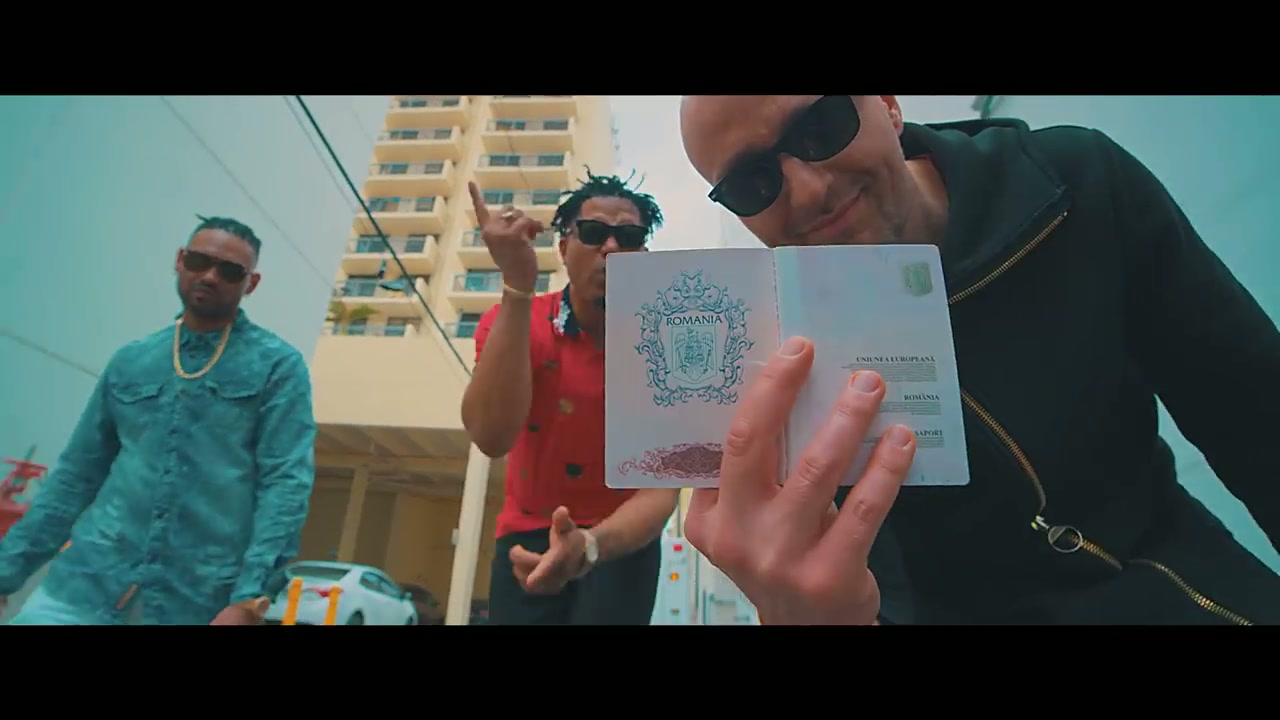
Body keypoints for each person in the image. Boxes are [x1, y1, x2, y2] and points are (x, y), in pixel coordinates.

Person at [676, 94, 1280, 625]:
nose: (810, 190)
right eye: (753, 184)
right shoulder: (766, 363)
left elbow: (1254, 411)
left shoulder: (1073, 182)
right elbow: (876, 595)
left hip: (1199, 591)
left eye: (821, 126)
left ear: (887, 104)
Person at [0, 215, 317, 625]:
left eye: (229, 271)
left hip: (193, 599)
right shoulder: (132, 360)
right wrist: (7, 572)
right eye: (199, 261)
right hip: (85, 583)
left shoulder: (277, 366)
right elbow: (76, 477)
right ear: (180, 260)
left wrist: (249, 599)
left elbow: (285, 485)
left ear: (250, 283)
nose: (210, 276)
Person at [461, 173, 680, 625]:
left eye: (629, 237)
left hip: (622, 544)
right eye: (594, 232)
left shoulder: (667, 344)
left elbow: (661, 490)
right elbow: (491, 437)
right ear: (563, 249)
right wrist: (517, 284)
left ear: (643, 257)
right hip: (528, 536)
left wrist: (591, 545)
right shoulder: (515, 320)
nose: (611, 248)